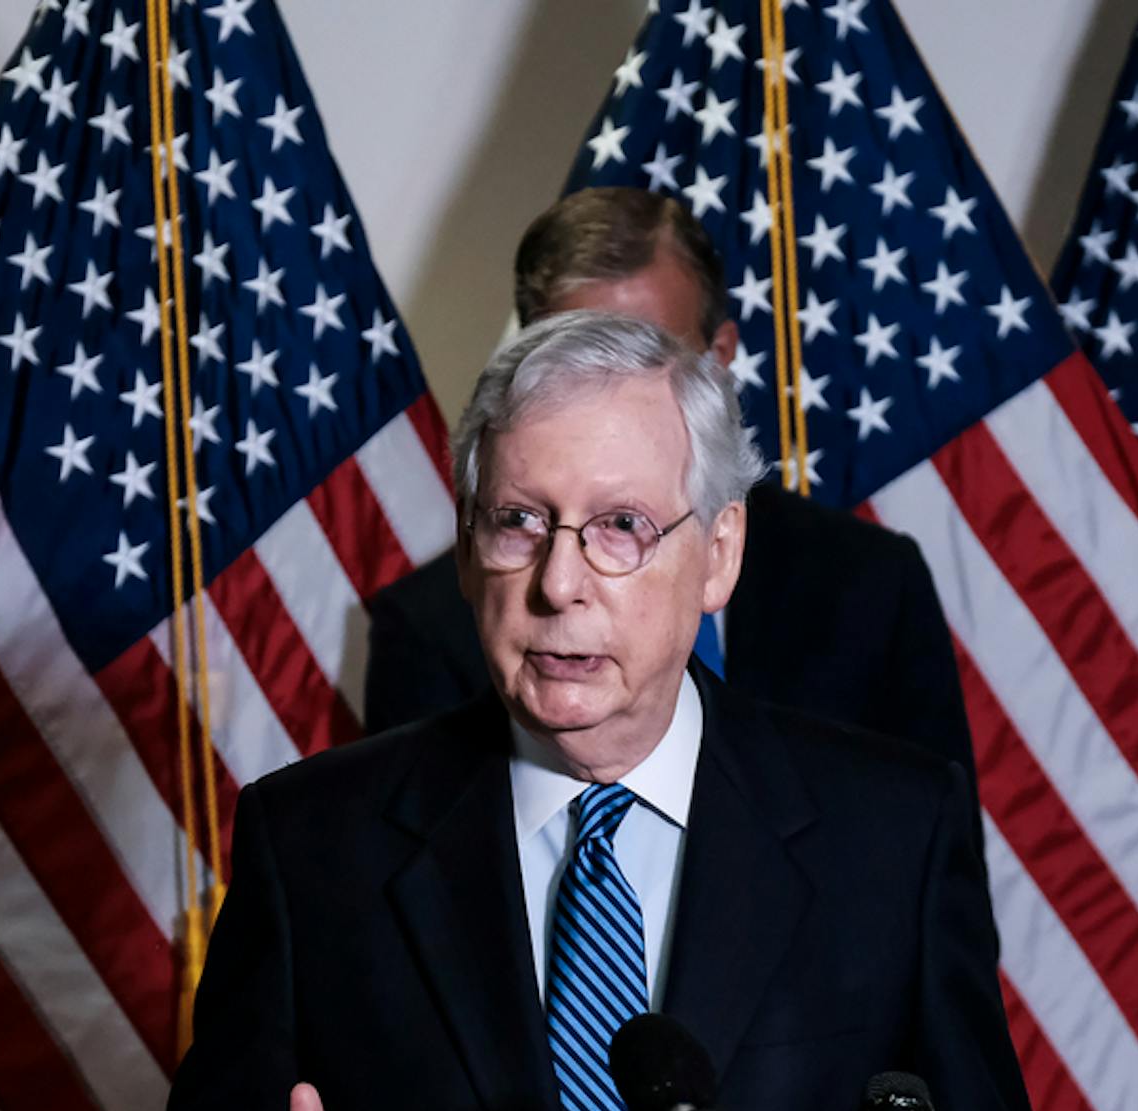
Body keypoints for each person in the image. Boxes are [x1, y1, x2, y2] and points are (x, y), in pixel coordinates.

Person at [128, 311, 1062, 1111]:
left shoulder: (889, 828)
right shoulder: (312, 839)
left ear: (717, 552)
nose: (559, 582)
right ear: (472, 548)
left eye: (622, 527)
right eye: (520, 523)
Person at [363, 188, 977, 787]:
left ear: (719, 359)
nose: (561, 582)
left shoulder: (872, 585)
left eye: (649, 358)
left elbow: (927, 866)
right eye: (576, 361)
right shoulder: (428, 627)